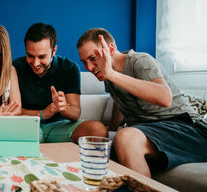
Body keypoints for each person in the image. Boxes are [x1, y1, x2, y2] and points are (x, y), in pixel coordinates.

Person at [76, 28, 207, 177]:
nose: (89, 67)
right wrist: (110, 133)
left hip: (186, 127)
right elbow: (120, 103)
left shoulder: (139, 60)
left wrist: (112, 75)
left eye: (93, 58)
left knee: (126, 138)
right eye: (84, 62)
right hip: (150, 130)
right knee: (101, 144)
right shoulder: (107, 76)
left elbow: (165, 97)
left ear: (110, 49)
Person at [13, 23, 107, 143]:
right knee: (28, 135)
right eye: (30, 56)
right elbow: (12, 111)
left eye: (42, 57)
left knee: (98, 130)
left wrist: (63, 108)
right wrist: (43, 114)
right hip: (27, 125)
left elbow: (75, 113)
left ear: (54, 51)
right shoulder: (15, 67)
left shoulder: (69, 68)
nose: (35, 63)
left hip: (60, 127)